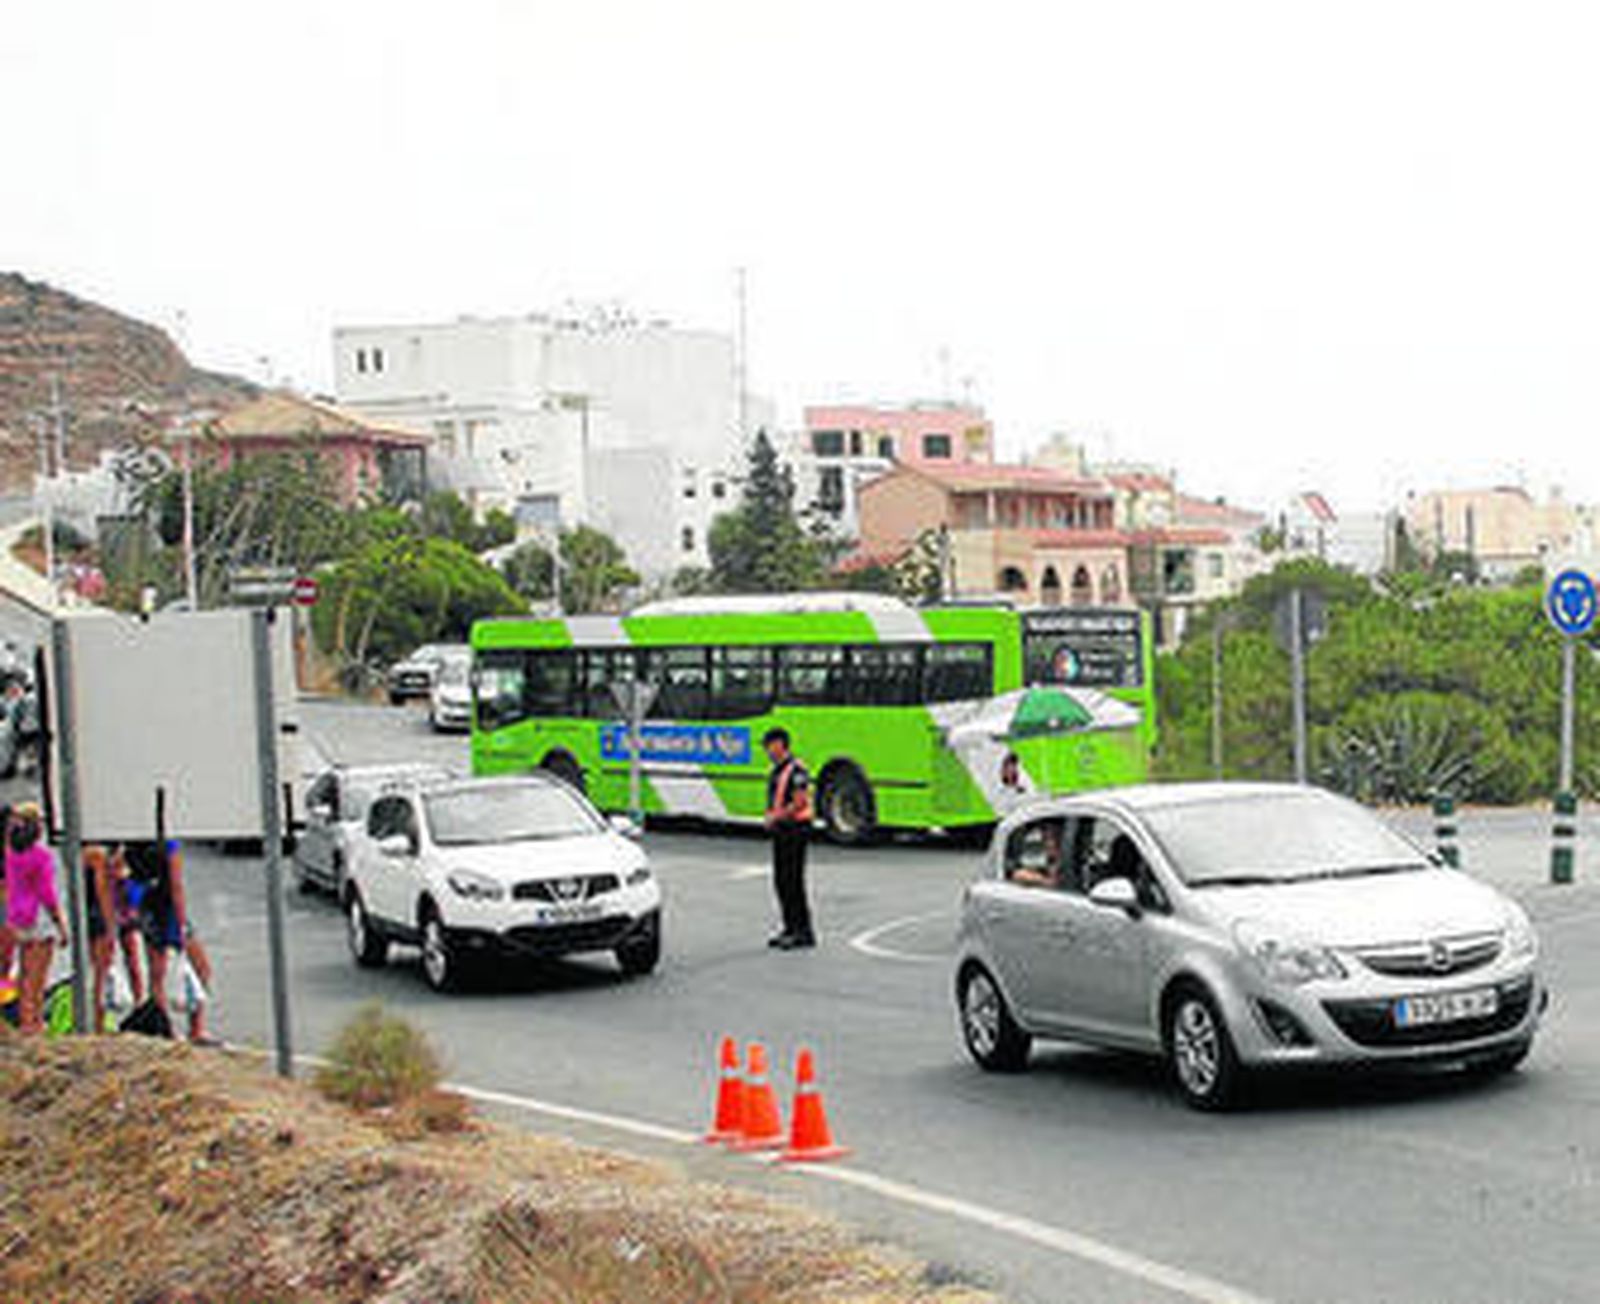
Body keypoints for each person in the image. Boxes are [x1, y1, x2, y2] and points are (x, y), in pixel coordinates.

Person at [125, 837, 215, 1044]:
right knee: (200, 967)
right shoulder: (169, 845)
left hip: (146, 905)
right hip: (168, 909)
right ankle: (196, 1028)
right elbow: (176, 886)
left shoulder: (132, 843)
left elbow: (125, 876)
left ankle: (165, 1030)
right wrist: (182, 923)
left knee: (157, 973)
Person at [4, 803, 67, 1034]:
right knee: (38, 975)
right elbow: (46, 892)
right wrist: (60, 922)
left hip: (18, 915)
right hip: (38, 916)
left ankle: (25, 1019)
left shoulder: (12, 854)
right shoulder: (40, 856)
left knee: (24, 971)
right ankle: (35, 1023)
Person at [763, 727, 815, 950]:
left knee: (793, 881)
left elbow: (800, 801)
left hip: (795, 829)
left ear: (780, 744)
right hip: (782, 829)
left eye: (769, 745)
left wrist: (776, 815)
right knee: (782, 881)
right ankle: (789, 928)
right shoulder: (778, 769)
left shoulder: (796, 770)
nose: (767, 751)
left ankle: (802, 932)